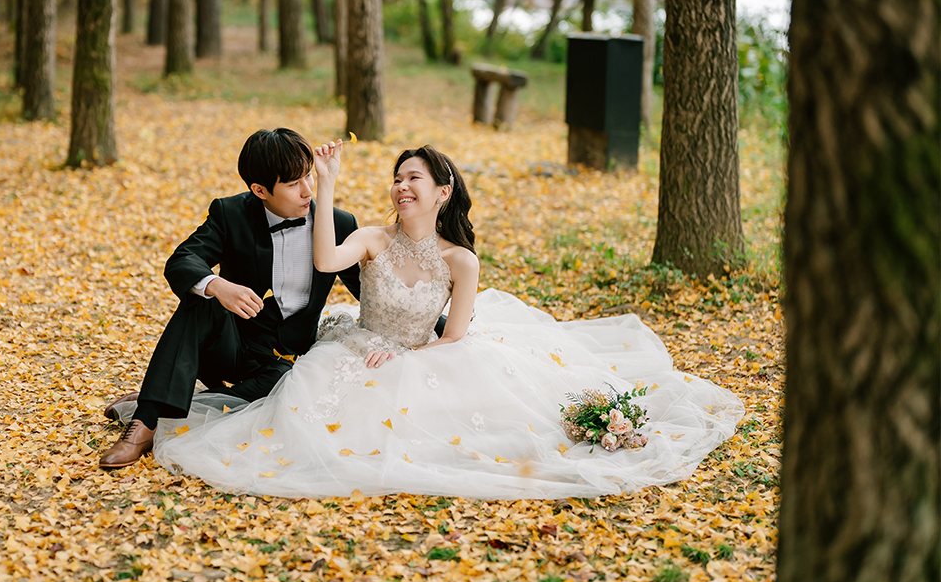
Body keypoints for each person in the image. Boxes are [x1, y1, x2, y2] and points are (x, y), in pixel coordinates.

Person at [151, 143, 745, 499]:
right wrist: (326, 183)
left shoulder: (462, 261)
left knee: (469, 419)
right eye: (398, 176)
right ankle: (155, 411)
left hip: (419, 352)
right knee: (308, 411)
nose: (401, 185)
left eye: (413, 177)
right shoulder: (372, 236)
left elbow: (455, 336)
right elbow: (327, 259)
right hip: (356, 345)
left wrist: (408, 353)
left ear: (442, 189)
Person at [98, 128, 362, 469]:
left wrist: (437, 325)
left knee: (272, 399)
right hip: (228, 345)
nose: (308, 190)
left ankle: (166, 397)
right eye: (294, 183)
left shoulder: (337, 223)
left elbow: (370, 290)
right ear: (260, 190)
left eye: (308, 175)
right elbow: (182, 261)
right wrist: (218, 286)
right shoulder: (231, 213)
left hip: (282, 362)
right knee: (200, 297)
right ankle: (145, 421)